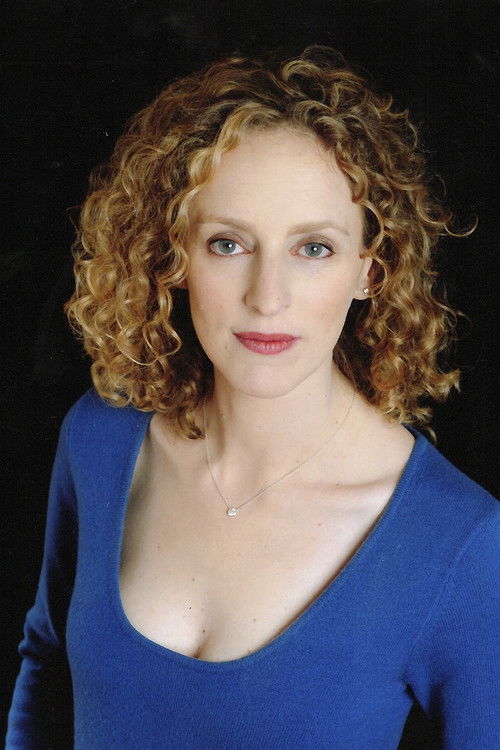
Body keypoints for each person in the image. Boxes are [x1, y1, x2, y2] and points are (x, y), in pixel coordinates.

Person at [6, 46, 499, 749]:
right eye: (228, 244)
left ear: (371, 269)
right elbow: (46, 664)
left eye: (314, 248)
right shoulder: (100, 436)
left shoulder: (460, 544)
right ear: (173, 254)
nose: (268, 298)